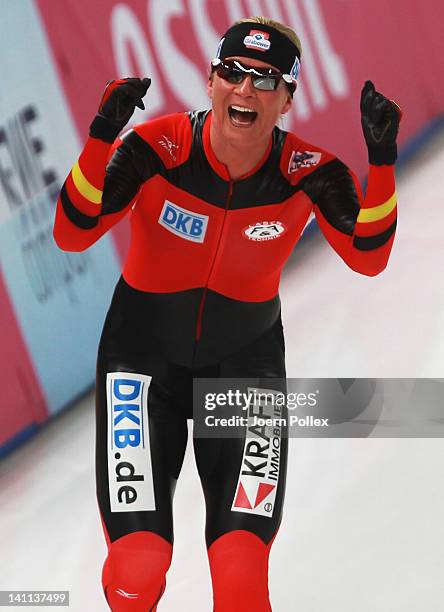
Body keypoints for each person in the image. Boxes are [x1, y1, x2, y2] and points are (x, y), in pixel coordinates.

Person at [53, 16, 401, 612]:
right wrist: (101, 136)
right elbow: (73, 230)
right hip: (141, 367)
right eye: (234, 74)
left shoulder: (309, 173)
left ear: (288, 99)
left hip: (245, 373)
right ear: (209, 80)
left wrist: (382, 159)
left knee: (241, 577)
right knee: (139, 564)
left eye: (266, 81)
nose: (246, 90)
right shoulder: (157, 149)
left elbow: (368, 256)